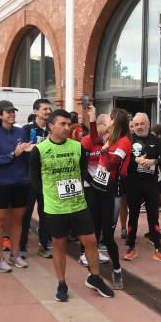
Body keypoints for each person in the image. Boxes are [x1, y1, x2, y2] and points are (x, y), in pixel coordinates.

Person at [36, 109, 116, 301]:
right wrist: (48, 197)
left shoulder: (77, 147)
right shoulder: (40, 149)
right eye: (61, 124)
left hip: (78, 204)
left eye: (67, 124)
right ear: (51, 126)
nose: (66, 127)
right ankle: (61, 283)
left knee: (91, 241)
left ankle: (95, 277)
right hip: (55, 208)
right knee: (59, 245)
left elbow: (81, 172)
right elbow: (34, 179)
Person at [83, 108, 131, 289]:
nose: (107, 123)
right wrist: (93, 118)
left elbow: (112, 164)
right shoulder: (110, 138)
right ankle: (94, 273)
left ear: (115, 120)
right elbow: (95, 138)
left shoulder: (124, 141)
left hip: (110, 189)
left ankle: (117, 269)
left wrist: (103, 151)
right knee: (93, 232)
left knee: (108, 235)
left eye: (109, 119)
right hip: (96, 187)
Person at [0, 102, 34, 272]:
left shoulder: (21, 132)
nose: (12, 114)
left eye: (13, 111)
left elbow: (27, 156)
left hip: (21, 182)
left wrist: (31, 151)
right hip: (2, 183)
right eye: (8, 112)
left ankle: (15, 254)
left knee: (17, 220)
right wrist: (14, 154)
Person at [122, 111, 161, 262]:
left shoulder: (156, 139)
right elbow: (120, 158)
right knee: (133, 215)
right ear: (132, 126)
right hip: (133, 183)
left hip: (151, 184)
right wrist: (135, 160)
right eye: (136, 124)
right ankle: (131, 246)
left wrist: (153, 162)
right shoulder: (127, 139)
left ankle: (158, 247)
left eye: (142, 124)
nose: (139, 127)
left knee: (153, 215)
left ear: (148, 124)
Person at [21, 98, 53, 259]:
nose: (48, 112)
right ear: (36, 111)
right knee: (26, 213)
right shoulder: (27, 129)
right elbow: (24, 148)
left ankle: (44, 244)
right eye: (44, 109)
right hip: (29, 178)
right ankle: (22, 246)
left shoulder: (52, 129)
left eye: (49, 109)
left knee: (45, 213)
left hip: (47, 178)